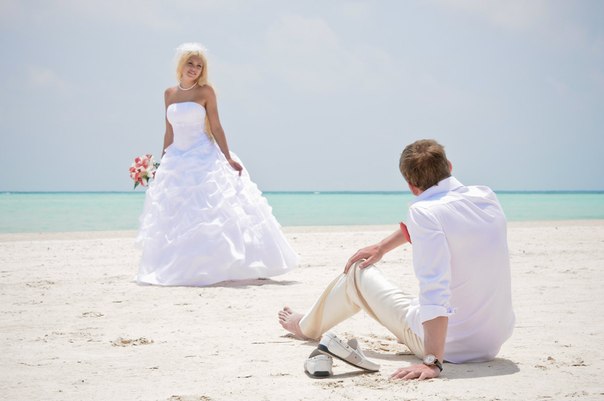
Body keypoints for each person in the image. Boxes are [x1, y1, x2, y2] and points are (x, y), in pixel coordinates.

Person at [279, 139, 515, 380]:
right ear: (450, 166)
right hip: (492, 340)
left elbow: (435, 288)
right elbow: (443, 223)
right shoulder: (485, 196)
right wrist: (382, 247)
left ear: (412, 186)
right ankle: (310, 320)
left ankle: (305, 326)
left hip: (451, 346)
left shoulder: (424, 212)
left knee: (357, 273)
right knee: (419, 297)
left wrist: (432, 362)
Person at [135, 42, 298, 286]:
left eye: (199, 66)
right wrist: (162, 162)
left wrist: (227, 156)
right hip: (176, 159)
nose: (194, 69)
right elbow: (168, 130)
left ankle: (226, 266)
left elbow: (216, 125)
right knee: (177, 216)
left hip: (203, 155)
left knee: (212, 214)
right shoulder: (169, 93)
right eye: (190, 63)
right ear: (181, 64)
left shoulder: (205, 92)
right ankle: (181, 267)